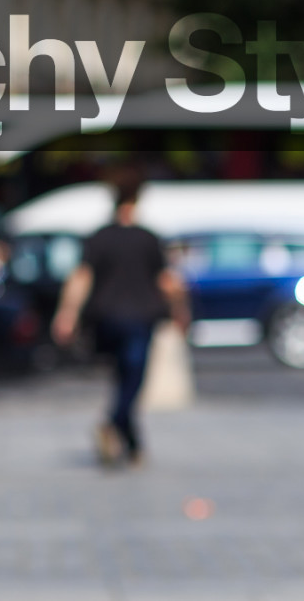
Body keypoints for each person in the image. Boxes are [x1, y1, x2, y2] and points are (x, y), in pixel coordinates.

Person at [50, 173, 188, 466]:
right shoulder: (148, 238)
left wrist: (67, 313)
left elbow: (81, 277)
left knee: (122, 378)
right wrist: (181, 309)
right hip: (139, 318)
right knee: (133, 379)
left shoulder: (100, 237)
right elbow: (168, 282)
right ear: (137, 200)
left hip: (106, 317)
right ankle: (113, 424)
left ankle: (133, 444)